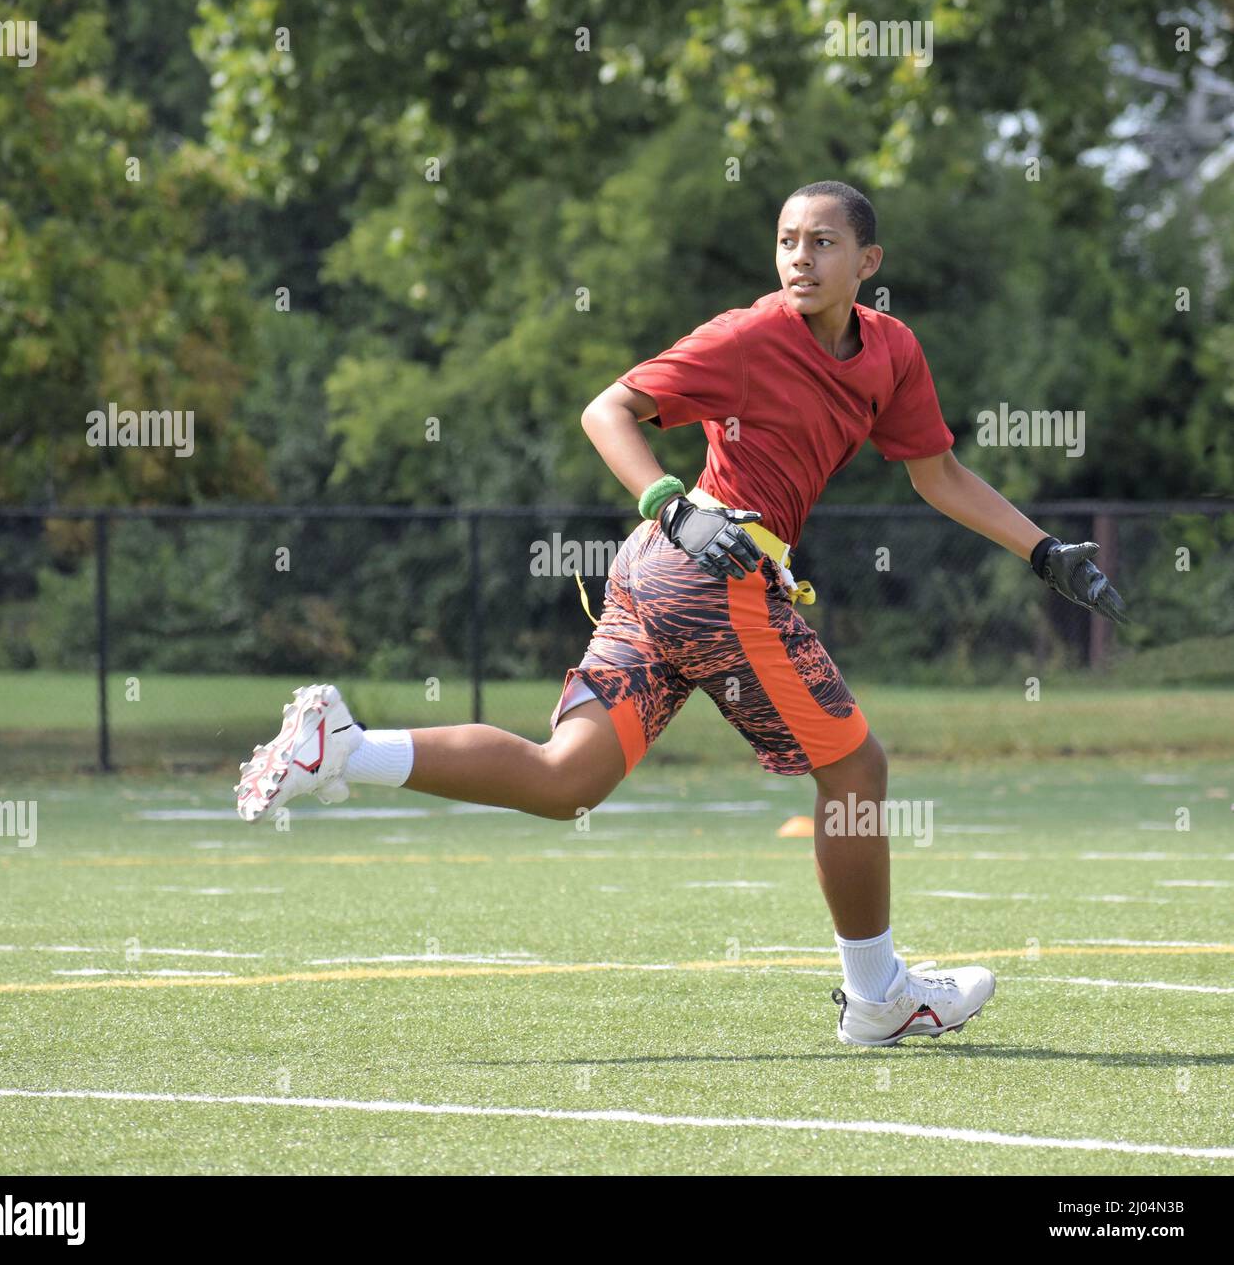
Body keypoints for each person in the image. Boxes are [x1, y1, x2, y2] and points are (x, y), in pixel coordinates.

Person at [234, 180, 1127, 1047]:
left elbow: (938, 474)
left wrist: (1044, 551)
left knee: (566, 779)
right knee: (856, 776)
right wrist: (670, 499)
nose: (799, 257)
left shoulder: (892, 351)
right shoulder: (748, 336)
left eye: (821, 242)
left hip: (662, 582)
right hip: (707, 575)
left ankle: (345, 748)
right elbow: (607, 409)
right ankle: (879, 996)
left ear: (868, 260)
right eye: (786, 240)